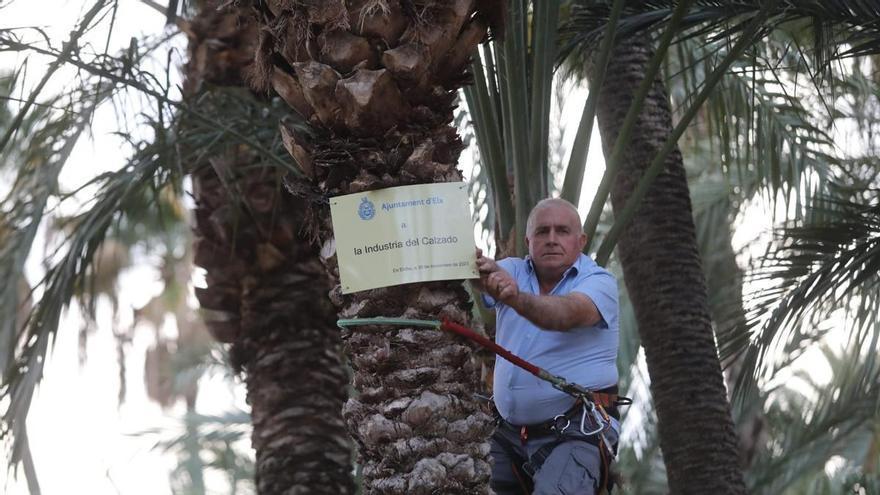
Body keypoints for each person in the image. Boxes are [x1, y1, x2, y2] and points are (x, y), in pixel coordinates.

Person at [474, 198, 620, 495]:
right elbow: (483, 276)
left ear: (581, 241)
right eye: (542, 232)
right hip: (509, 436)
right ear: (528, 240)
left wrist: (514, 297)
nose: (551, 239)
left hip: (576, 432)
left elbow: (565, 314)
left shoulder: (599, 283)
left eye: (562, 231)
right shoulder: (514, 270)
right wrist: (475, 267)